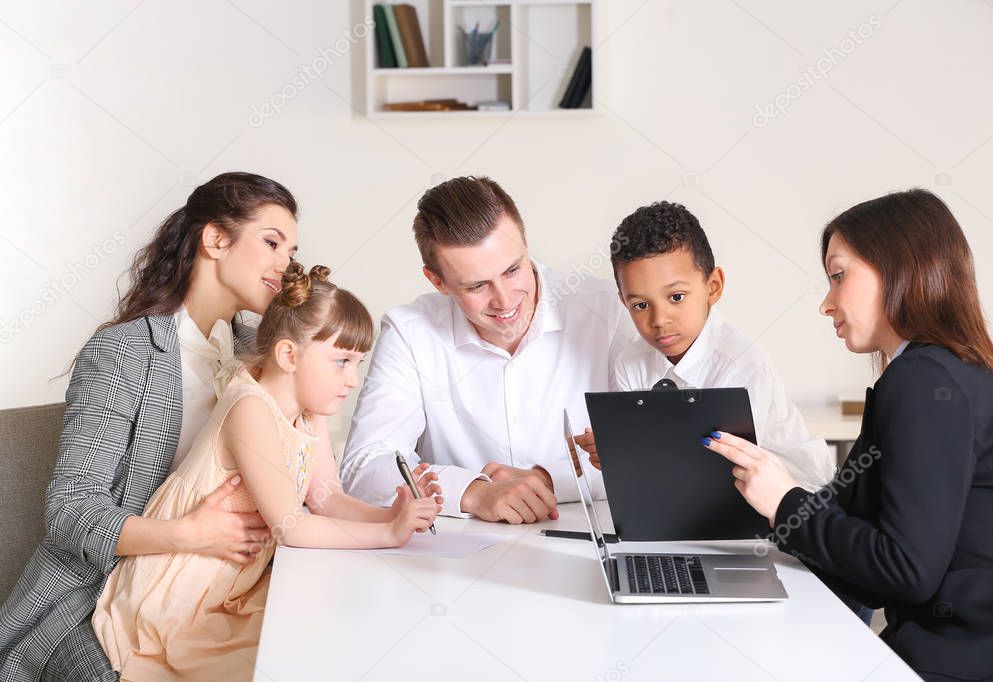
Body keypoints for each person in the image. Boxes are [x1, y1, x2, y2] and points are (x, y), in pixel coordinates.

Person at [704, 189, 993, 681]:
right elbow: (869, 557)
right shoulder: (937, 373)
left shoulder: (925, 382)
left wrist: (785, 502)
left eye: (838, 275)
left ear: (899, 266)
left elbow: (903, 571)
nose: (826, 303)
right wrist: (775, 497)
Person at [0, 172, 301, 682]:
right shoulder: (124, 353)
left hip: (223, 592)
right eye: (272, 243)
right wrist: (189, 534)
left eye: (291, 251)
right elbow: (70, 512)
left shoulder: (262, 357)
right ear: (215, 239)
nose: (284, 265)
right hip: (99, 601)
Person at [91, 262, 441, 681]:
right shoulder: (250, 407)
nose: (352, 381)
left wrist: (393, 515)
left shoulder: (308, 415)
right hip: (181, 593)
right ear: (289, 355)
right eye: (342, 361)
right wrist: (387, 534)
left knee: (343, 631)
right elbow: (291, 526)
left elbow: (327, 498)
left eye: (358, 364)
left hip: (232, 584)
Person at [341, 176, 635, 524]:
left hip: (589, 538)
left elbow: (647, 448)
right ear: (437, 281)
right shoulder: (410, 332)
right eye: (477, 285)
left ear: (526, 245)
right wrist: (473, 491)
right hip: (455, 556)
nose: (505, 300)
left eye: (513, 270)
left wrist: (547, 480)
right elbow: (364, 465)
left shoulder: (609, 309)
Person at [579, 201, 834, 490]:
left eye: (676, 297)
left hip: (801, 496)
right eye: (640, 304)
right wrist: (617, 452)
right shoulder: (631, 362)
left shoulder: (742, 367)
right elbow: (653, 471)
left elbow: (721, 468)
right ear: (624, 302)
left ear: (713, 287)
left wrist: (637, 452)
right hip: (703, 499)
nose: (660, 319)